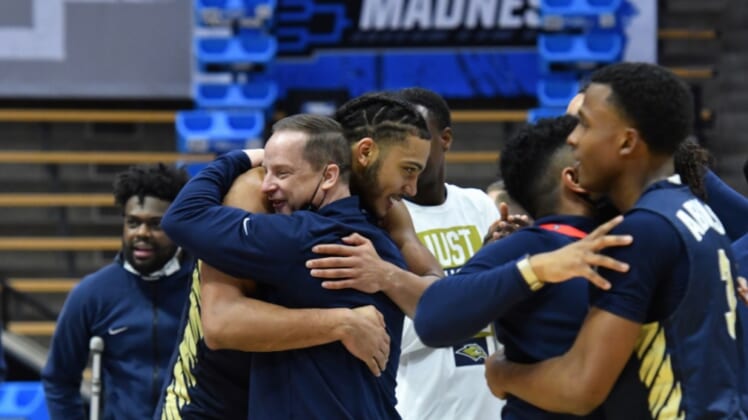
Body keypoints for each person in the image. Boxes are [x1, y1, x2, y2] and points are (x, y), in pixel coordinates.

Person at [484, 62, 746, 418]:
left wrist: (503, 374)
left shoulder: (642, 232)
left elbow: (581, 388)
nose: (572, 138)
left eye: (585, 125)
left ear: (626, 141)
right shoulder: (694, 212)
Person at [161, 113, 431, 419]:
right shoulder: (384, 242)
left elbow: (181, 217)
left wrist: (239, 158)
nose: (266, 186)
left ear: (329, 176)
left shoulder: (297, 237)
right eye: (267, 171)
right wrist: (356, 308)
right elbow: (443, 300)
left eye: (282, 173)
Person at [414, 115, 620, 419]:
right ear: (574, 179)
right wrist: (533, 269)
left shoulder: (638, 234)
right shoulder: (532, 247)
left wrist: (506, 375)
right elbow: (432, 318)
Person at [387, 87, 505, 419]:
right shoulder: (385, 221)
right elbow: (398, 337)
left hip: (493, 405)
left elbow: (508, 308)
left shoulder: (479, 204)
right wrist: (486, 282)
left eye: (418, 136)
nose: (409, 150)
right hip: (422, 408)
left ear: (446, 139)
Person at [42, 164, 193, 420]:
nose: (142, 234)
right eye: (133, 223)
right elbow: (59, 379)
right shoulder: (92, 293)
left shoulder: (202, 286)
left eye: (156, 225)